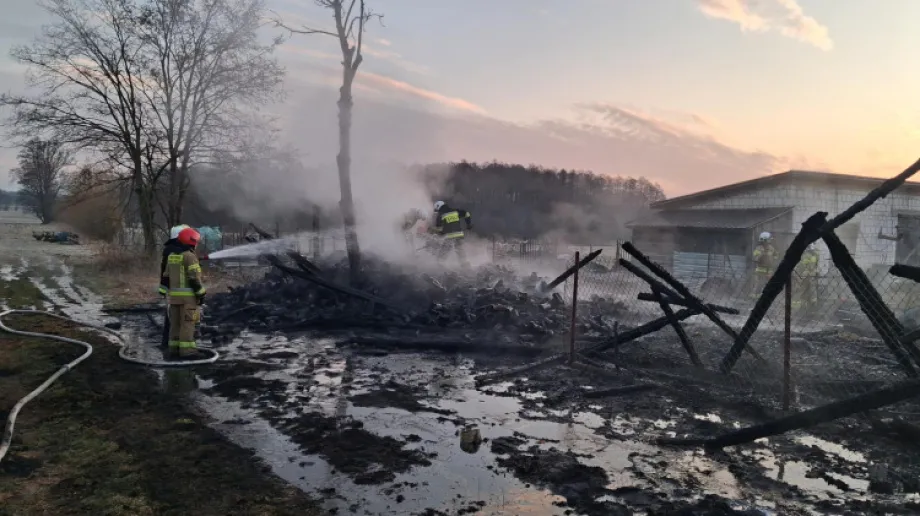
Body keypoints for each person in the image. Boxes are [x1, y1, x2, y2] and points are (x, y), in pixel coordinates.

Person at [161, 227, 207, 359]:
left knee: (175, 324)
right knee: (188, 323)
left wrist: (164, 292)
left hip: (174, 298)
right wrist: (201, 293)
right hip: (188, 299)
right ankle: (188, 351)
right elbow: (193, 278)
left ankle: (174, 349)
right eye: (196, 242)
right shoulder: (190, 256)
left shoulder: (172, 256)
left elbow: (166, 276)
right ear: (192, 242)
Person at [158, 224, 190, 349]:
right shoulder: (176, 251)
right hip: (179, 291)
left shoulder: (170, 250)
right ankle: (180, 348)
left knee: (172, 319)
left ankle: (168, 344)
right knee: (180, 320)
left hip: (174, 290)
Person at [430, 200, 472, 266]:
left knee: (443, 253)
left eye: (437, 210)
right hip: (459, 235)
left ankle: (439, 264)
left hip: (449, 237)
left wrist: (433, 232)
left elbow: (440, 230)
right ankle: (465, 265)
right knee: (460, 251)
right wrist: (468, 224)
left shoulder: (440, 215)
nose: (438, 212)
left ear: (438, 207)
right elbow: (467, 214)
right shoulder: (455, 211)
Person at [796, 243, 820, 314]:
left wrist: (801, 276)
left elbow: (801, 267)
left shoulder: (806, 255)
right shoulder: (815, 255)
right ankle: (811, 308)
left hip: (806, 277)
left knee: (805, 292)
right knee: (812, 292)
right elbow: (815, 266)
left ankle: (805, 308)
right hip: (811, 276)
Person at [751, 231, 776, 297]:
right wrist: (762, 254)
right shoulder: (758, 249)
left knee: (769, 285)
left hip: (769, 271)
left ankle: (767, 297)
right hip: (759, 271)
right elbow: (755, 259)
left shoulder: (772, 248)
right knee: (758, 285)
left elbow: (775, 258)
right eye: (769, 239)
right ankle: (755, 298)